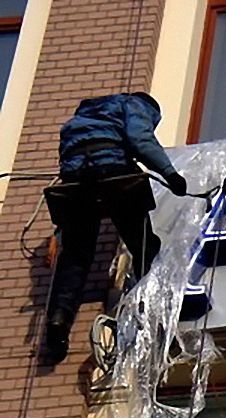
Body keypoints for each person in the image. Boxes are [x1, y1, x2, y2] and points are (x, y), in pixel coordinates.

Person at [46, 92, 187, 362]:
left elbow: (69, 156)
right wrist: (170, 174)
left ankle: (59, 319)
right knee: (144, 245)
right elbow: (140, 140)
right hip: (113, 171)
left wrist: (60, 231)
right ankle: (153, 314)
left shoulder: (80, 118)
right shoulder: (134, 105)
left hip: (76, 180)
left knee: (75, 256)